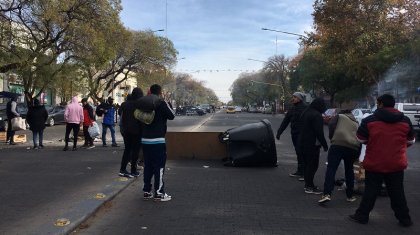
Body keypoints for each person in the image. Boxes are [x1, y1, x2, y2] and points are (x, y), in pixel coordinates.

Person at [349, 94, 415, 227]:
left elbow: (361, 139)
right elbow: (410, 140)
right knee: (397, 192)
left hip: (375, 163)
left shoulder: (369, 120)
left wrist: (374, 142)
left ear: (380, 104)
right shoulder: (405, 120)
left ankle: (362, 216)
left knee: (370, 191)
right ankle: (405, 219)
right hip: (396, 163)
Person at [318, 109, 361, 204]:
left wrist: (332, 137)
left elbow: (331, 125)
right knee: (349, 170)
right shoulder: (356, 122)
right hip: (353, 148)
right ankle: (350, 195)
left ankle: (327, 194)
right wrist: (357, 154)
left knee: (331, 169)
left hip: (337, 145)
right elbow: (359, 137)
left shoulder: (340, 116)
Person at [141, 84, 175, 202]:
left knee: (148, 166)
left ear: (150, 92)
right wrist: (166, 101)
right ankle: (159, 193)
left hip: (145, 139)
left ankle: (146, 191)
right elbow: (172, 115)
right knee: (159, 167)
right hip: (158, 140)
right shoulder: (161, 103)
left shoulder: (144, 103)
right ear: (160, 92)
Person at [299, 98, 328, 194]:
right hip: (312, 144)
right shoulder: (317, 115)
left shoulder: (305, 112)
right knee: (313, 165)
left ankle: (308, 185)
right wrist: (324, 144)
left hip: (303, 142)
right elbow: (319, 132)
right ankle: (310, 186)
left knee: (307, 165)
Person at [276, 92, 307, 179]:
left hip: (302, 134)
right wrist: (279, 132)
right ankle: (300, 171)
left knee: (301, 152)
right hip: (294, 134)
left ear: (300, 99)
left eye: (295, 97)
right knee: (298, 152)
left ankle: (304, 173)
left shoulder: (305, 108)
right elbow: (285, 121)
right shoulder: (292, 108)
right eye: (293, 97)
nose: (292, 98)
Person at [119, 88, 143, 178]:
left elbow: (122, 116)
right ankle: (133, 170)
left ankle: (122, 169)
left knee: (127, 150)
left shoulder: (124, 104)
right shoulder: (139, 104)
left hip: (126, 131)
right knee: (135, 151)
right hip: (137, 131)